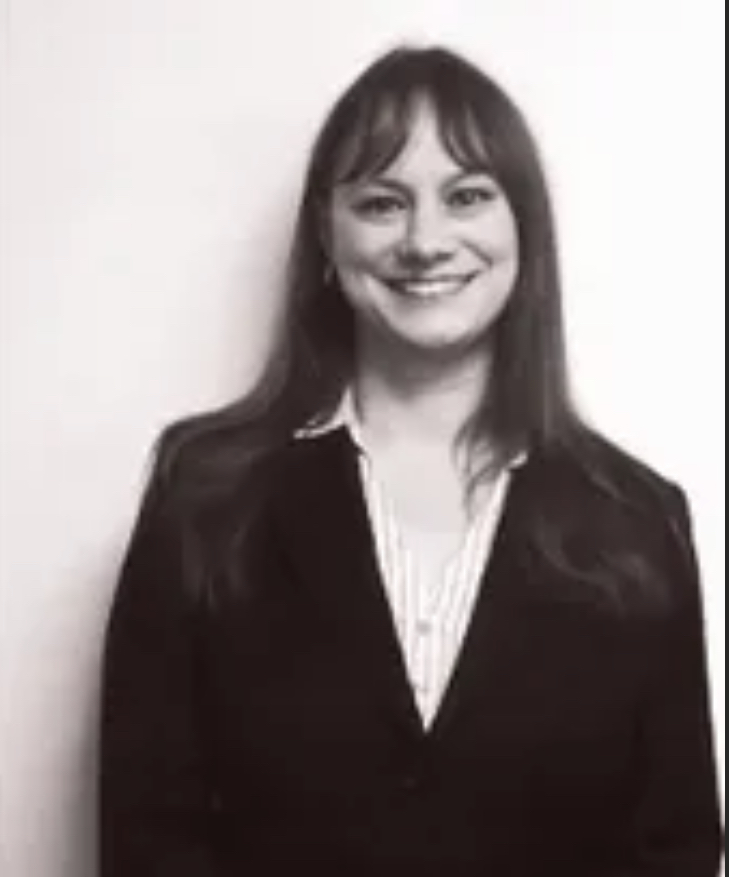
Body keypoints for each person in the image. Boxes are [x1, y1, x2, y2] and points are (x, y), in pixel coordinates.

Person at [99, 45, 723, 876]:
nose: (425, 240)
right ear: (327, 235)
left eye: (466, 196)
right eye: (381, 203)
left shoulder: (636, 519)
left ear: (523, 229)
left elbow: (674, 849)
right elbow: (148, 834)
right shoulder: (207, 491)